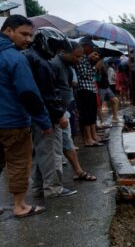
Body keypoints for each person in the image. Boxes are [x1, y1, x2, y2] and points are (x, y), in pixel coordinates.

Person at [0, 15, 52, 217]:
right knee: (19, 162)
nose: (29, 39)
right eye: (24, 34)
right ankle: (20, 206)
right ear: (8, 31)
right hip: (13, 122)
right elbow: (29, 94)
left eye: (30, 35)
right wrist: (45, 122)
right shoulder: (15, 58)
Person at [25, 27, 77, 199]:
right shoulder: (42, 64)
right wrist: (59, 115)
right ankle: (53, 188)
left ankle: (39, 188)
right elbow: (48, 94)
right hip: (46, 116)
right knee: (51, 152)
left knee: (38, 153)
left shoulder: (29, 57)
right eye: (56, 49)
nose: (56, 53)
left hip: (33, 116)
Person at [50, 41, 96, 182]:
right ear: (64, 52)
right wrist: (59, 113)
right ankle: (52, 186)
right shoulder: (54, 65)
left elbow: (68, 87)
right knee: (54, 149)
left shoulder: (68, 66)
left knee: (66, 143)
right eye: (77, 56)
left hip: (63, 109)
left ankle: (78, 171)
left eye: (81, 57)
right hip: (56, 112)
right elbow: (51, 92)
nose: (79, 60)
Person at [73, 37, 103, 146]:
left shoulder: (86, 58)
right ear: (84, 46)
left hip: (90, 88)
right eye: (90, 46)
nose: (91, 49)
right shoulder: (81, 57)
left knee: (92, 113)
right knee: (86, 114)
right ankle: (88, 138)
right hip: (84, 89)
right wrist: (95, 68)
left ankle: (93, 136)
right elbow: (85, 75)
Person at [96, 57, 120, 125]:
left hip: (107, 87)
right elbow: (97, 79)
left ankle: (114, 117)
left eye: (102, 61)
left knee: (116, 100)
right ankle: (102, 121)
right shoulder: (95, 69)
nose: (102, 63)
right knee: (99, 105)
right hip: (100, 88)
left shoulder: (104, 68)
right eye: (100, 61)